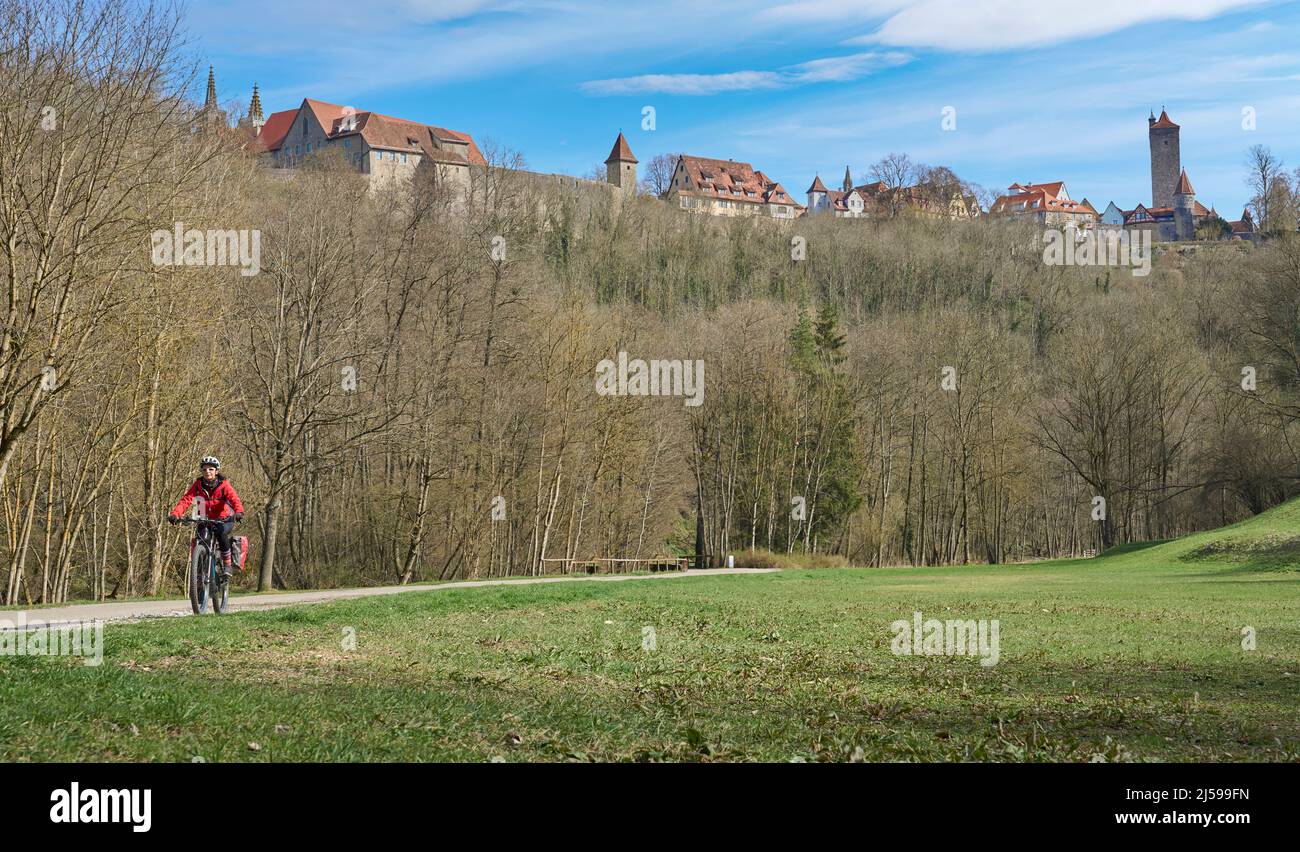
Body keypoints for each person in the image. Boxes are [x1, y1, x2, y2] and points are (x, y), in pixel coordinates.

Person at [168, 455, 244, 578]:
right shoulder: (197, 485)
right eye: (204, 469)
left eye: (211, 469)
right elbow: (186, 500)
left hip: (223, 519)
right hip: (204, 519)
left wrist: (239, 512)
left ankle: (227, 564)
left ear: (216, 471)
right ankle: (199, 569)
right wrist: (175, 514)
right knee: (201, 538)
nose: (207, 472)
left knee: (221, 533)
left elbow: (235, 499)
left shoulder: (224, 486)